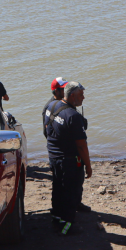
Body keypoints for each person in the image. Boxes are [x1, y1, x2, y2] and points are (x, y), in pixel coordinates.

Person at [45, 81, 91, 235]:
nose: (83, 98)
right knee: (70, 192)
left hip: (54, 156)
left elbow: (47, 129)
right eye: (81, 95)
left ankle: (56, 217)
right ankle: (67, 225)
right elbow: (81, 145)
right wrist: (88, 165)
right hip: (69, 160)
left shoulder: (51, 106)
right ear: (72, 96)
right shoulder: (73, 116)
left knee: (58, 187)